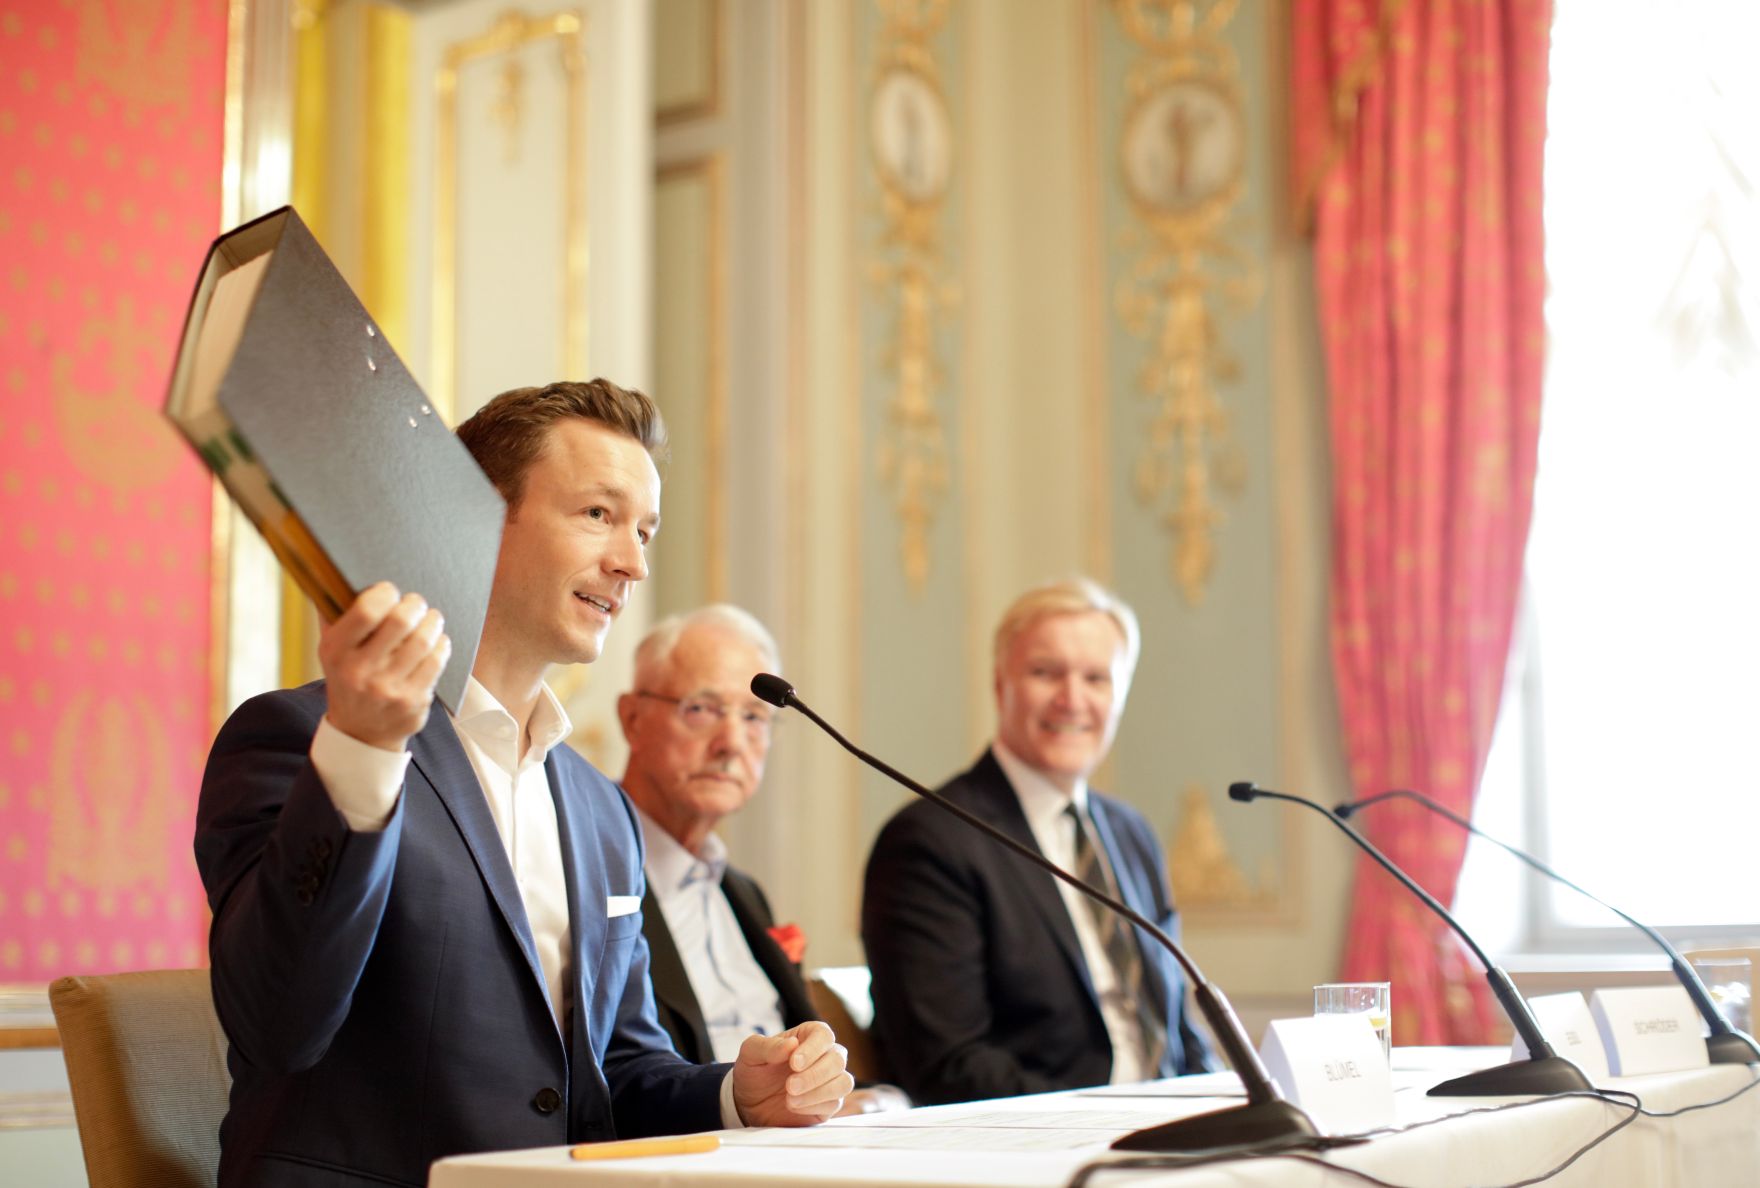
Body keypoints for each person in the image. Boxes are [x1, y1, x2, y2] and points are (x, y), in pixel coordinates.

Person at [194, 380, 850, 1188]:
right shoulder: (300, 739)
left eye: (645, 531)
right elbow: (278, 1021)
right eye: (598, 515)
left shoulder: (600, 808)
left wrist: (735, 1095)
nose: (633, 562)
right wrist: (364, 746)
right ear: (477, 513)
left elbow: (620, 1068)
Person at [861, 577, 1215, 1106]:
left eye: (1096, 678)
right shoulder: (930, 840)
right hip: (1048, 1150)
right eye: (1045, 673)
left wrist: (1222, 1102)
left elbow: (1178, 1023)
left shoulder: (1130, 832)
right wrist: (1111, 1123)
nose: (1072, 700)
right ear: (1001, 684)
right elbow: (950, 1066)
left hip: (1172, 1136)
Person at [617, 604, 907, 1114]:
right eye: (701, 709)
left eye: (753, 718)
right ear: (633, 718)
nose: (731, 743)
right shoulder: (594, 871)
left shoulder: (742, 892)